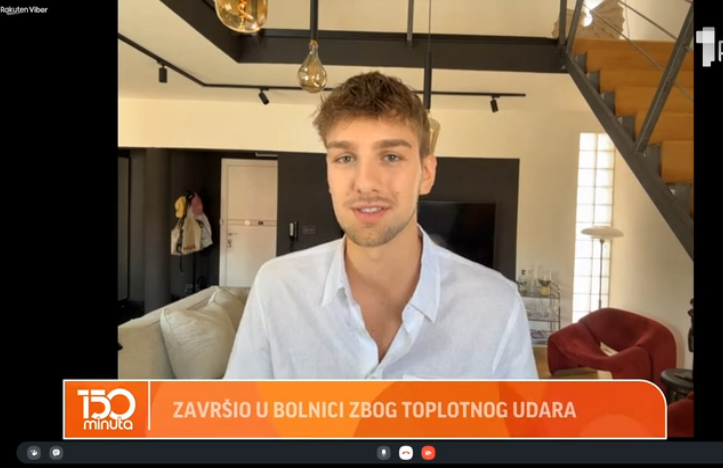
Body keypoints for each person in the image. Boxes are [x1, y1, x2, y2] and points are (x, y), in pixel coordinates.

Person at [224, 71, 537, 380]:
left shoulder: (496, 306)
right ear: (329, 173)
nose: (365, 183)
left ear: (426, 173)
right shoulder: (277, 289)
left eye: (390, 156)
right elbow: (240, 413)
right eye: (346, 158)